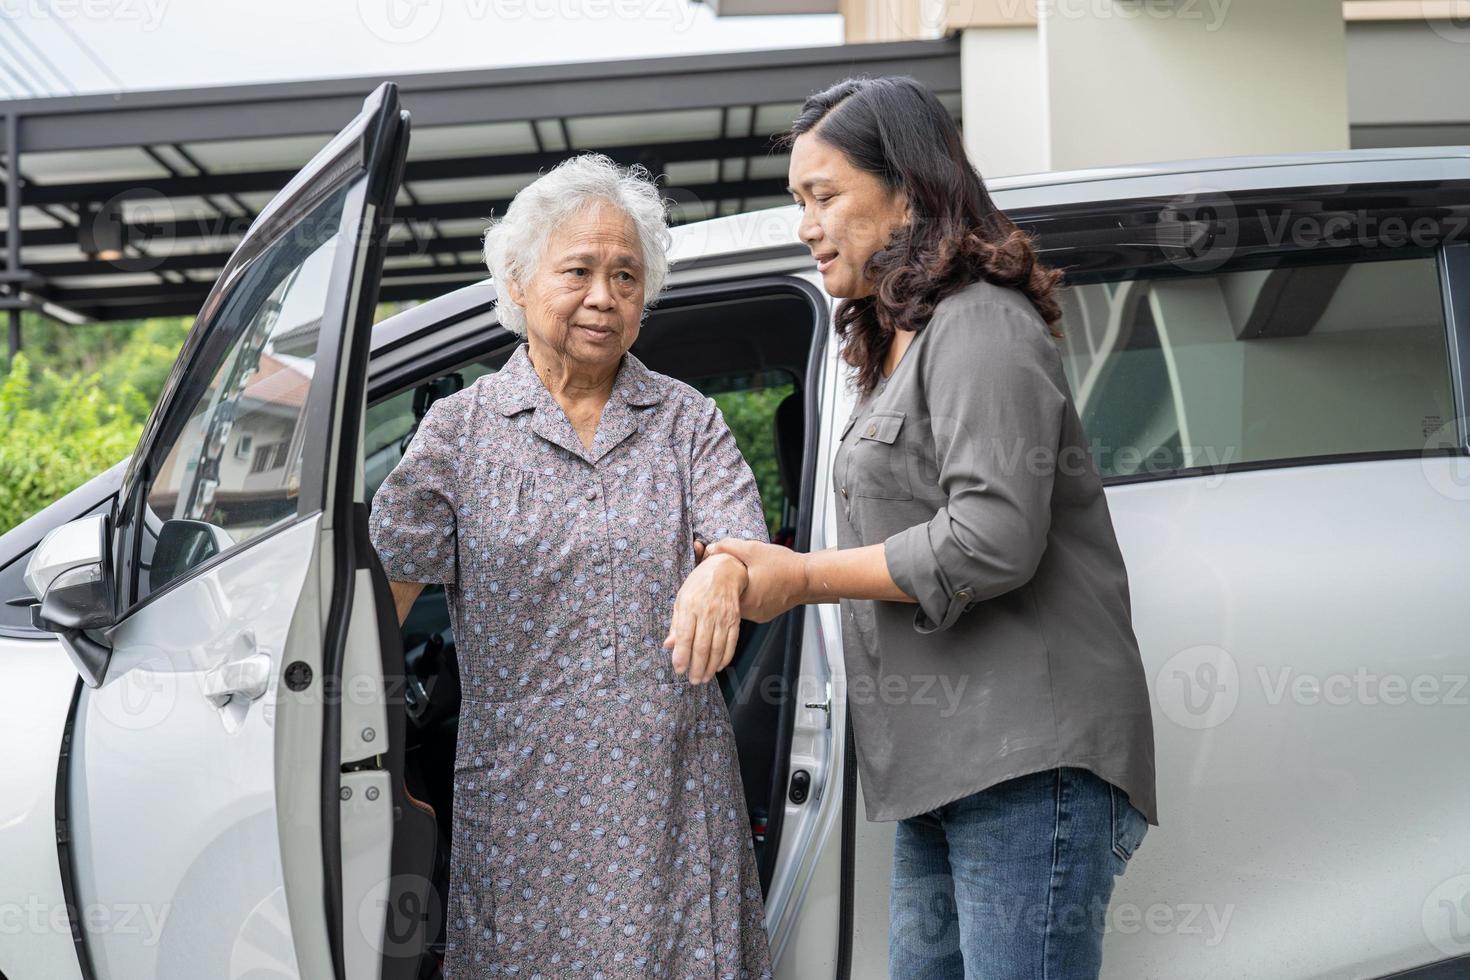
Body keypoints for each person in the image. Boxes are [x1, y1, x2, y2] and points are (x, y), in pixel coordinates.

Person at [671, 76, 1159, 979]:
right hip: (944, 769)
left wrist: (802, 575)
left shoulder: (981, 323)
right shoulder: (899, 340)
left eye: (823, 196)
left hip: (1022, 762)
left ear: (909, 189)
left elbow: (994, 537)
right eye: (799, 201)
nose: (806, 224)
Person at [368, 152, 774, 979]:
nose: (604, 297)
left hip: (671, 801)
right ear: (517, 282)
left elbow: (756, 563)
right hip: (524, 809)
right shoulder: (460, 433)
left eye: (627, 276)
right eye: (579, 271)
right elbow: (373, 611)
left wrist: (725, 572)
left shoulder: (685, 421)